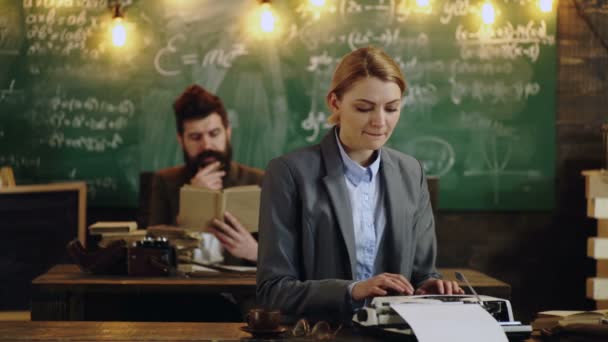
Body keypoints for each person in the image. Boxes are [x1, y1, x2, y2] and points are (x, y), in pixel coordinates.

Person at [256, 47, 463, 323]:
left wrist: (431, 286)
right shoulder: (289, 173)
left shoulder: (411, 173)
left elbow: (422, 273)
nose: (380, 121)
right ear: (334, 103)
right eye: (364, 108)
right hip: (321, 335)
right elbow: (273, 291)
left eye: (392, 108)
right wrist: (353, 290)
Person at [148, 84, 263, 263]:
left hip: (239, 288)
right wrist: (192, 201)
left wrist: (254, 251)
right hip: (181, 287)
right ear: (181, 140)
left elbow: (288, 257)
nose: (207, 145)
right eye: (195, 137)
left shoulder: (259, 181)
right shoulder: (164, 181)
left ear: (228, 132)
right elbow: (151, 252)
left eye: (214, 133)